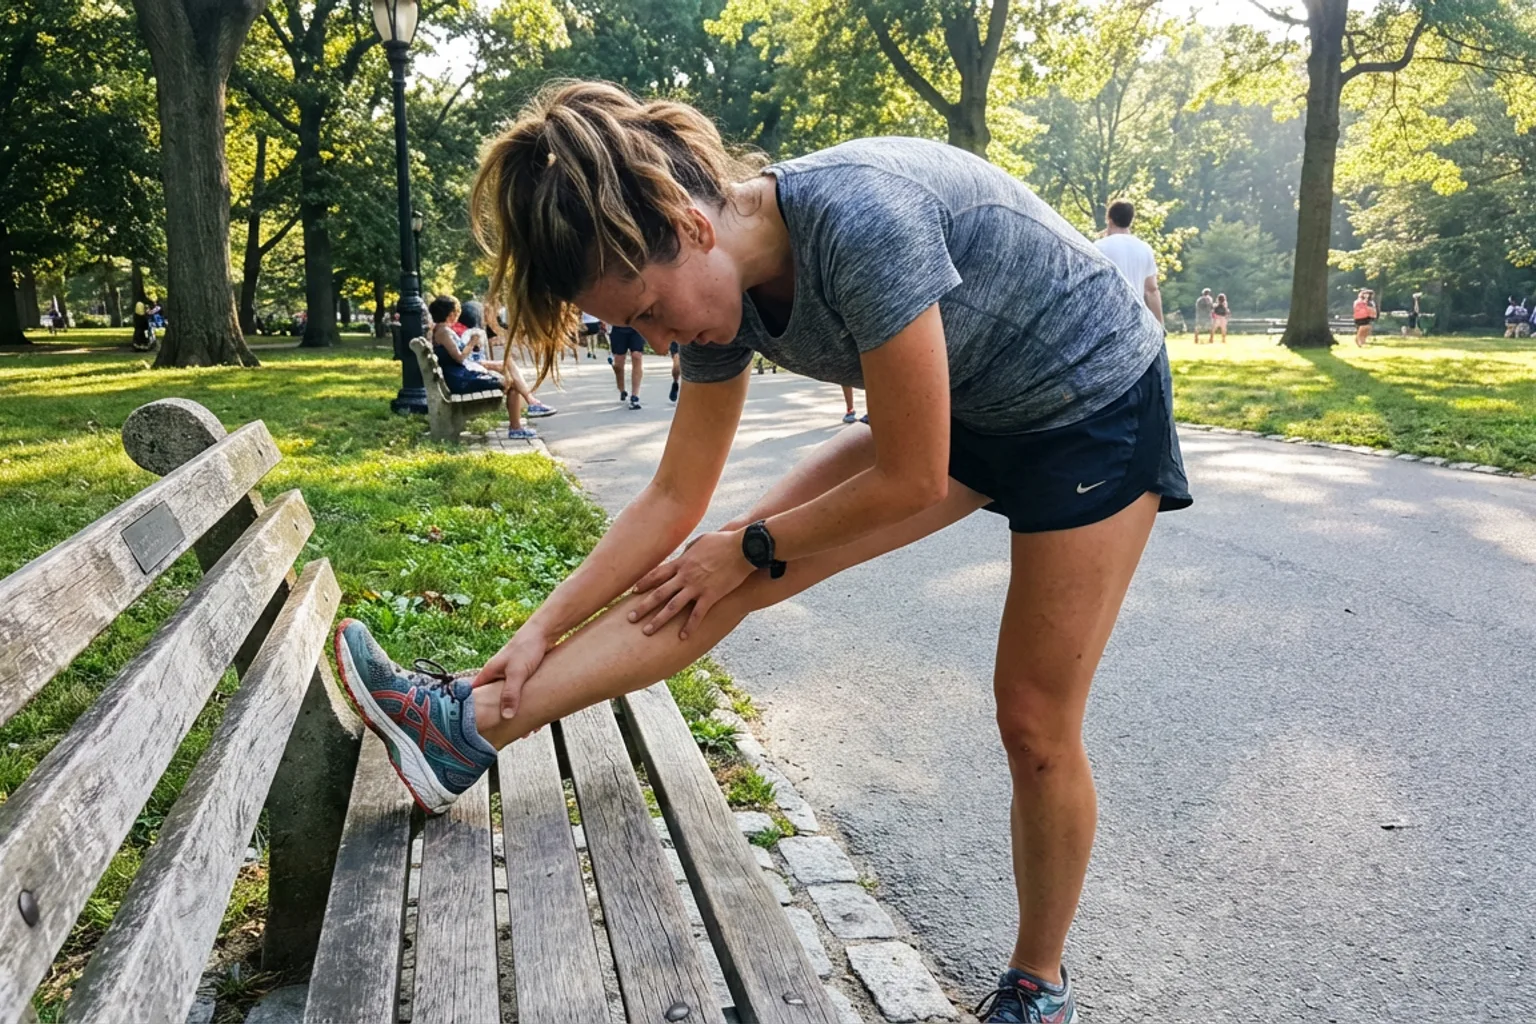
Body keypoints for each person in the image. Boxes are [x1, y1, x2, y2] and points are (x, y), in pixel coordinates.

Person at [334, 81, 1191, 1024]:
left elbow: (911, 475)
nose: (659, 340)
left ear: (689, 224)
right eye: (637, 330)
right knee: (706, 582)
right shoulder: (717, 295)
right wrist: (541, 626)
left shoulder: (863, 221)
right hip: (972, 408)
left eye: (650, 311)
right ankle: (462, 729)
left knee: (1032, 718)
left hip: (1091, 406)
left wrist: (750, 544)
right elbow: (672, 498)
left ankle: (1038, 985)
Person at [429, 294, 538, 439]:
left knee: (510, 378)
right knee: (511, 383)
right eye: (456, 312)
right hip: (460, 380)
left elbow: (457, 355)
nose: (458, 315)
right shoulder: (444, 332)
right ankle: (516, 427)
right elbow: (459, 358)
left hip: (458, 376)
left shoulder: (442, 330)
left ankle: (526, 412)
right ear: (451, 314)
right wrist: (472, 342)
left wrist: (473, 347)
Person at [460, 300, 556, 419]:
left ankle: (524, 414)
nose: (487, 317)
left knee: (511, 377)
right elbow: (467, 358)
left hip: (471, 366)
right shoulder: (469, 333)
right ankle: (531, 403)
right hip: (468, 369)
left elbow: (489, 350)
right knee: (508, 367)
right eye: (484, 314)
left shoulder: (474, 330)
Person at [1093, 200, 1164, 326]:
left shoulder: (1098, 247)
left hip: (1106, 321)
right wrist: (1160, 325)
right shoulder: (1145, 248)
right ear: (1130, 220)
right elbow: (1151, 290)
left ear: (1109, 219)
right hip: (1135, 321)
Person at [609, 323, 647, 409]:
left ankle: (635, 396)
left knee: (637, 356)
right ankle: (622, 390)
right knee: (618, 362)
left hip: (637, 326)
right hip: (618, 326)